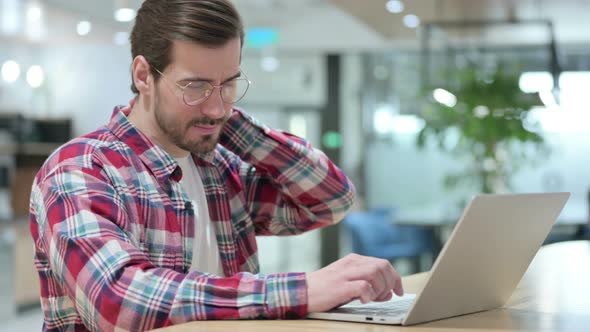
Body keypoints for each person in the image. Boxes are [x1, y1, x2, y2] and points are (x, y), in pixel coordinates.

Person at [29, 0, 403, 330]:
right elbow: (120, 303)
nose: (218, 106)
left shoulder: (219, 166)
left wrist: (230, 125)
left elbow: (331, 199)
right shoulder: (79, 169)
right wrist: (302, 290)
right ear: (143, 76)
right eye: (195, 86)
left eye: (229, 84)